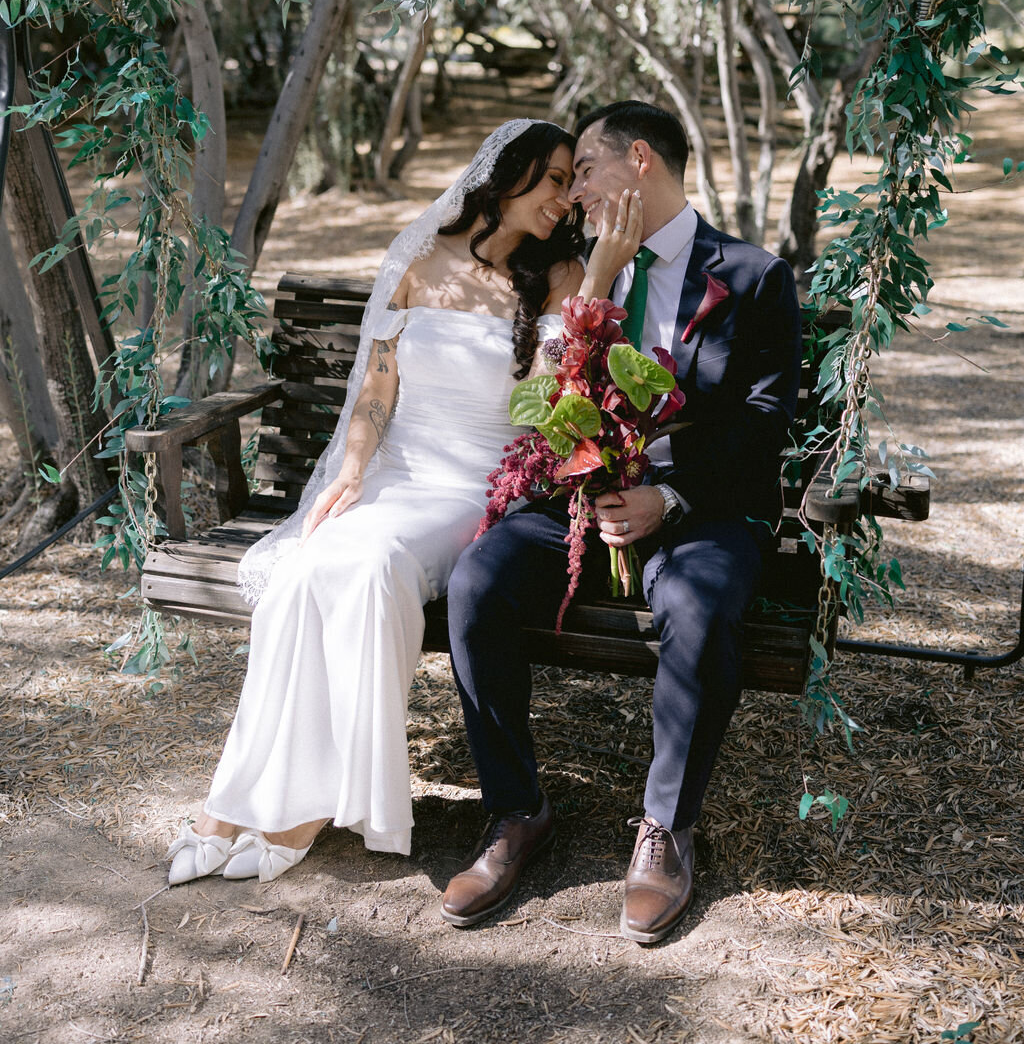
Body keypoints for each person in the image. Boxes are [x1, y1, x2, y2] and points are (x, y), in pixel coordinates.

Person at [165, 119, 613, 885]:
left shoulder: (566, 275)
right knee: (305, 569)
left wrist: (602, 273)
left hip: (474, 487)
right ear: (504, 177)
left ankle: (301, 813)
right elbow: (377, 388)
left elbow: (565, 393)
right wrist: (351, 471)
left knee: (370, 563)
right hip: (396, 472)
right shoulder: (419, 259)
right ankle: (231, 805)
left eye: (572, 181)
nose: (563, 196)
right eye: (551, 178)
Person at [443, 100, 803, 945]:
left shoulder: (753, 277)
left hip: (701, 510)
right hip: (579, 501)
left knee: (697, 606)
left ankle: (665, 829)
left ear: (639, 160)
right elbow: (549, 396)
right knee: (475, 583)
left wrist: (664, 497)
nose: (575, 195)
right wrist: (596, 286)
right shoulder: (577, 268)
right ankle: (515, 811)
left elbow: (761, 427)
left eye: (588, 172)